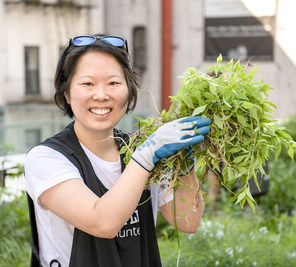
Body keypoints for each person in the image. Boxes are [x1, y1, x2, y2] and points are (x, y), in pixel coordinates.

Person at [24, 34, 212, 267]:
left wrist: (184, 161)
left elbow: (188, 221)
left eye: (113, 83)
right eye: (87, 84)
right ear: (66, 94)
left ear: (129, 90)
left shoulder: (144, 149)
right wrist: (145, 156)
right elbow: (102, 222)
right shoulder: (46, 158)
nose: (101, 95)